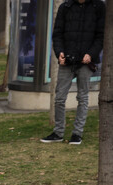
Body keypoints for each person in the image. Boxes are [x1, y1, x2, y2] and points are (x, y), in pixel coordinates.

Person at [41, 0, 105, 145]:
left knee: (82, 97)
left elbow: (101, 36)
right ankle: (58, 132)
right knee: (59, 98)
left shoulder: (99, 6)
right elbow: (57, 34)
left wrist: (91, 54)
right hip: (67, 61)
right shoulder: (65, 6)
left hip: (86, 62)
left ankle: (77, 134)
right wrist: (60, 53)